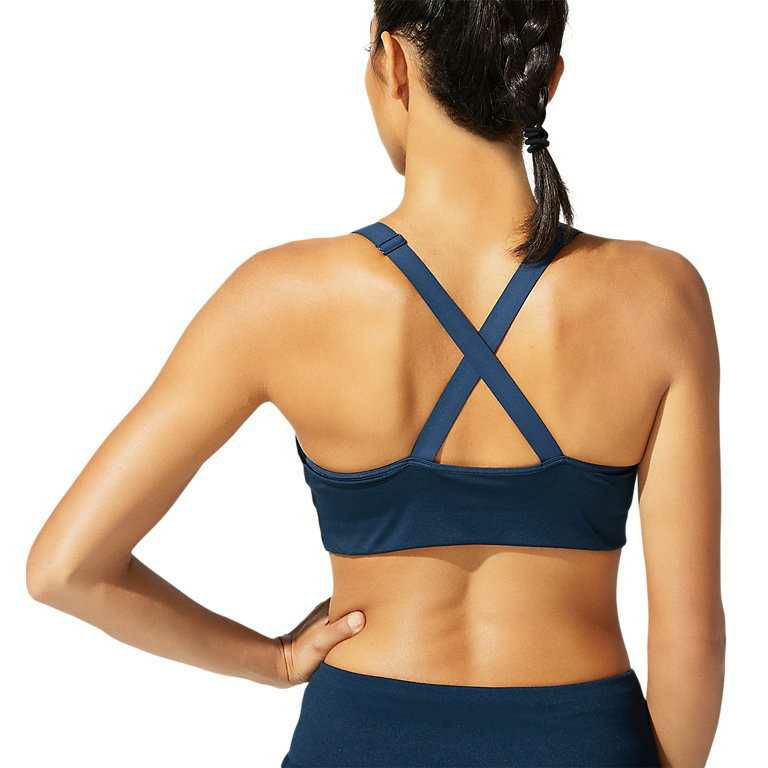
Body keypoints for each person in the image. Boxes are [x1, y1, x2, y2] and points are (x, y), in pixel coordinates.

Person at [27, 2, 725, 766]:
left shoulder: (280, 298)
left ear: (393, 63)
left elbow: (66, 569)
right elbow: (691, 640)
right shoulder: (658, 297)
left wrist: (275, 661)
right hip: (582, 741)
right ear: (546, 79)